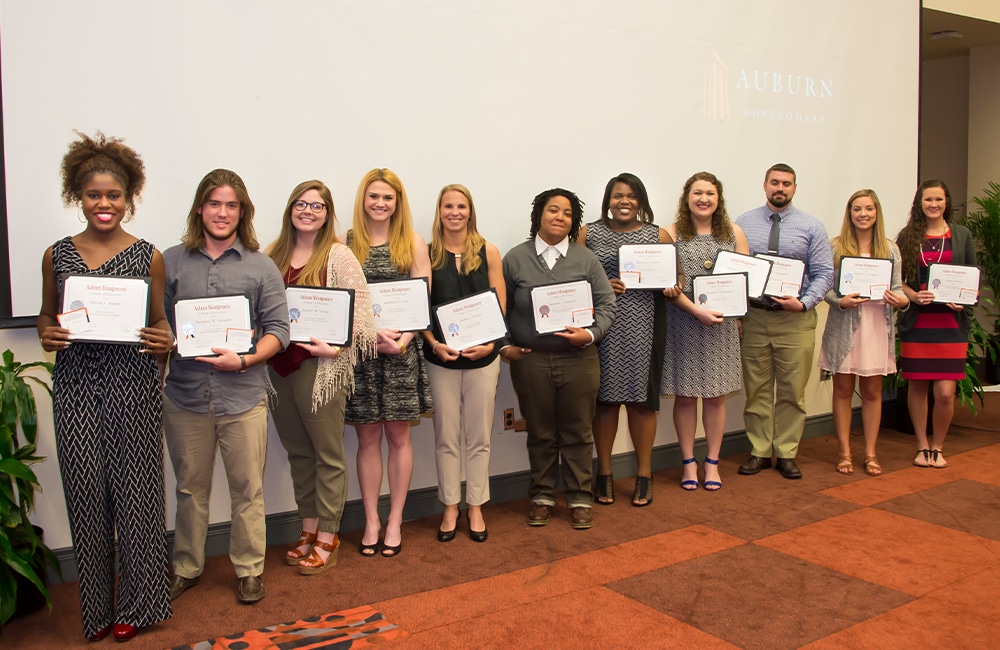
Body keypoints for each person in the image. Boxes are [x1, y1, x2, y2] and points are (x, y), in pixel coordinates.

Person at [37, 132, 174, 642]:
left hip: (134, 387)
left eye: (113, 195)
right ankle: (95, 611)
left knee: (138, 498)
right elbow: (48, 315)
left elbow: (160, 325)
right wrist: (47, 333)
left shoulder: (149, 257)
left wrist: (165, 340)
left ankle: (136, 609)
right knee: (87, 495)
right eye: (94, 195)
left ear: (129, 197)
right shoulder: (57, 255)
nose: (104, 204)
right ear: (78, 196)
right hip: (76, 388)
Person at [163, 169, 289, 605]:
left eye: (231, 205)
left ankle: (250, 568)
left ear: (242, 211)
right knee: (188, 489)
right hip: (184, 396)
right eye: (214, 203)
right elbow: (157, 328)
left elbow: (278, 330)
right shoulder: (171, 261)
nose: (222, 212)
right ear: (200, 207)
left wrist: (248, 359)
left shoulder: (261, 265)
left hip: (244, 395)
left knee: (248, 489)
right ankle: (186, 567)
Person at [265, 180, 377, 574]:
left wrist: (339, 348)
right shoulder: (271, 254)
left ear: (328, 213)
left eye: (317, 206)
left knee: (328, 455)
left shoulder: (339, 255)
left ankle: (329, 534)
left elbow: (361, 315)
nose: (308, 211)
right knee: (299, 453)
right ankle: (307, 528)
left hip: (321, 369)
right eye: (300, 204)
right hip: (277, 367)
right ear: (290, 209)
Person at [502, 188, 616, 530]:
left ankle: (580, 497)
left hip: (579, 359)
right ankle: (542, 496)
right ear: (539, 215)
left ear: (573, 221)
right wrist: (505, 346)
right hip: (532, 360)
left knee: (578, 432)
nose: (560, 218)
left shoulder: (586, 259)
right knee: (540, 432)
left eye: (567, 213)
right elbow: (498, 308)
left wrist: (591, 334)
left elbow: (608, 305)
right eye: (553, 210)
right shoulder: (515, 258)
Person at [342, 168, 432, 557]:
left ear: (398, 203)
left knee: (398, 437)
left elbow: (421, 295)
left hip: (400, 354)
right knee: (366, 439)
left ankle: (395, 519)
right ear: (363, 199)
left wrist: (403, 340)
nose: (380, 203)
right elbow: (341, 301)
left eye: (388, 198)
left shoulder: (411, 241)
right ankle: (371, 520)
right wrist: (368, 337)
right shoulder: (344, 243)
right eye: (373, 196)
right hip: (361, 355)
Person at [578, 173, 678, 507]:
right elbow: (574, 277)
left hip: (645, 325)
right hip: (603, 328)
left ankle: (644, 474)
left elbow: (672, 277)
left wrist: (671, 285)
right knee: (604, 401)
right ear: (608, 199)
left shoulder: (657, 234)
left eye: (632, 196)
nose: (625, 201)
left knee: (642, 401)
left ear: (641, 201)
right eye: (618, 195)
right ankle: (604, 474)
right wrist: (601, 284)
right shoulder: (587, 233)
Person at [735, 163, 834, 479]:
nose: (780, 188)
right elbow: (736, 269)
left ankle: (787, 452)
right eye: (775, 182)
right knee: (757, 390)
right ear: (764, 185)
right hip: (755, 317)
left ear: (794, 188)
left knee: (792, 391)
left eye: (786, 183)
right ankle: (760, 451)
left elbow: (825, 273)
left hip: (795, 320)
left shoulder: (812, 226)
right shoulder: (743, 223)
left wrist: (804, 303)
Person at [421, 184, 504, 542]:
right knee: (446, 436)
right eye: (448, 206)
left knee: (480, 435)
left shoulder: (489, 251)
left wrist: (490, 345)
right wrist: (433, 344)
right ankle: (450, 506)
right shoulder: (425, 254)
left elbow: (500, 305)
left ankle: (476, 506)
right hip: (441, 358)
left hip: (484, 358)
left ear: (471, 212)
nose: (455, 212)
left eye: (461, 206)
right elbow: (417, 309)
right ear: (439, 211)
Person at [662, 172, 749, 491]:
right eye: (697, 192)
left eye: (710, 193)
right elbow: (667, 282)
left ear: (718, 198)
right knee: (684, 397)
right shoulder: (670, 233)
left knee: (715, 398)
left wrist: (734, 309)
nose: (704, 198)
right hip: (683, 322)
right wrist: (696, 309)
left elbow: (745, 279)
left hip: (721, 327)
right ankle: (688, 462)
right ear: (686, 197)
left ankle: (712, 463)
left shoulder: (733, 232)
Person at [819, 190, 909, 476]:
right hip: (844, 326)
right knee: (843, 390)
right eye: (857, 209)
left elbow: (897, 288)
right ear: (850, 213)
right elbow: (826, 289)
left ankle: (870, 452)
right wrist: (840, 300)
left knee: (872, 393)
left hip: (876, 327)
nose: (863, 214)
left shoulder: (891, 249)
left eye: (868, 209)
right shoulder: (836, 247)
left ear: (876, 212)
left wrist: (902, 300)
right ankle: (844, 451)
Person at [895, 180, 975, 469]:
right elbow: (897, 280)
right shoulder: (908, 236)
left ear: (946, 202)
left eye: (939, 199)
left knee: (944, 392)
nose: (933, 204)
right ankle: (922, 446)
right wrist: (914, 295)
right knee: (917, 387)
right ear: (920, 203)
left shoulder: (962, 235)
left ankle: (939, 446)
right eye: (928, 199)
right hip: (918, 323)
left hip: (951, 324)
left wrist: (963, 299)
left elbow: (971, 278)